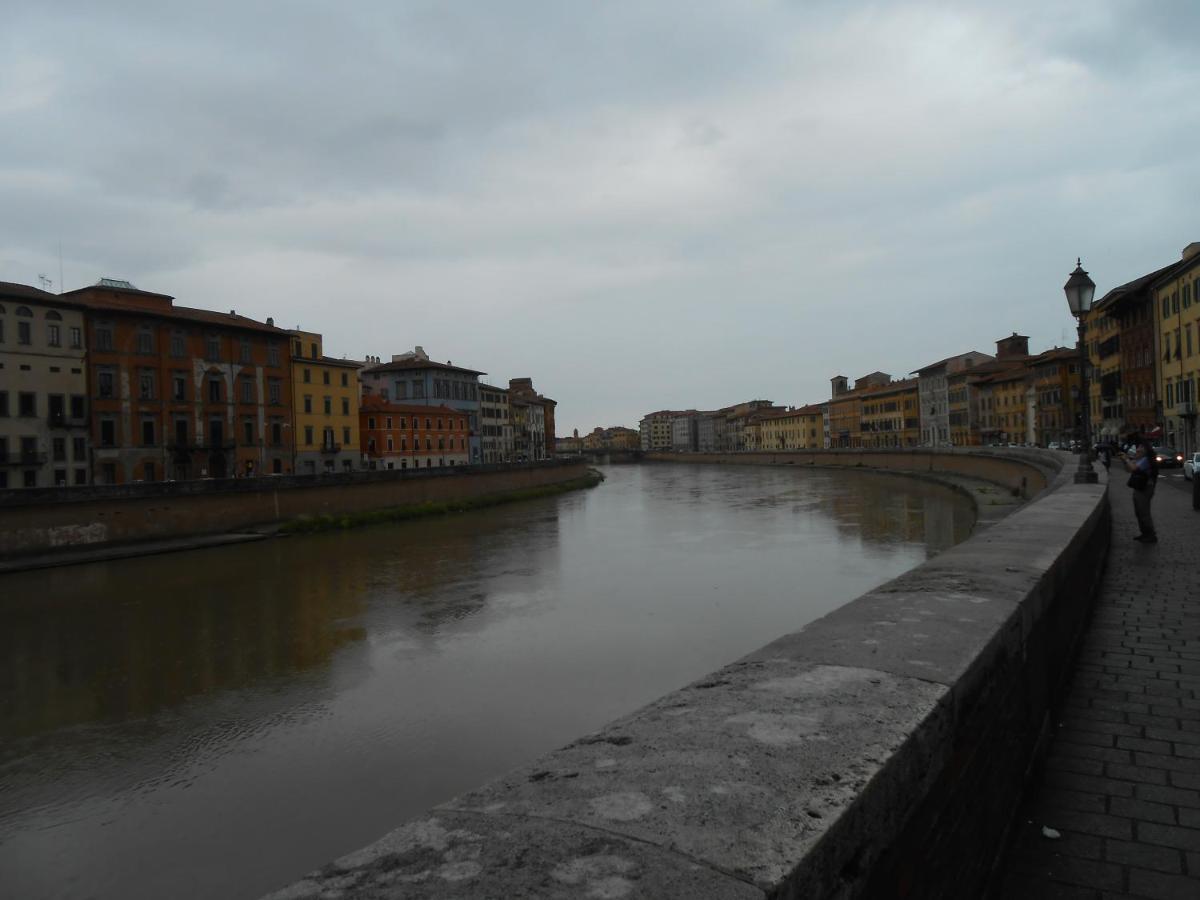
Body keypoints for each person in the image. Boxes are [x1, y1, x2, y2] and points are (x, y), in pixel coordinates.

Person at [1122, 441, 1158, 542]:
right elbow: (1128, 470)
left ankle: (1151, 535)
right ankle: (1144, 533)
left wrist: (1127, 459)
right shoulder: (1140, 459)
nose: (1138, 449)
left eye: (1141, 447)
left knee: (1144, 512)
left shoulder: (1146, 460)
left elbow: (1134, 468)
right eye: (1138, 447)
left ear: (1146, 450)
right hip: (1138, 488)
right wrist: (1126, 460)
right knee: (1138, 512)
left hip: (1145, 489)